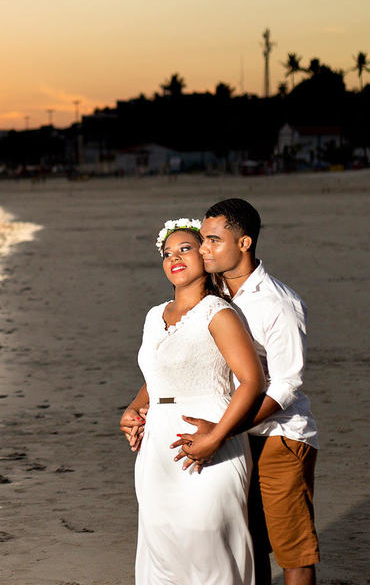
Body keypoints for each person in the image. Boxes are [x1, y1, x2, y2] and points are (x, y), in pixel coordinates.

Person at [121, 218, 266, 585]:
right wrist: (134, 408)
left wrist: (217, 436)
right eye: (167, 253)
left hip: (211, 434)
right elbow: (158, 375)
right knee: (163, 546)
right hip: (157, 445)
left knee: (208, 542)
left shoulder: (219, 313)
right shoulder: (154, 316)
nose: (174, 258)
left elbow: (253, 381)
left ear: (204, 255)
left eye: (185, 249)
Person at [185, 199, 320, 585]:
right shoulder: (212, 295)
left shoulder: (279, 303)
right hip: (234, 436)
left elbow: (287, 385)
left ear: (244, 243)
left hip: (280, 438)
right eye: (202, 240)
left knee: (293, 550)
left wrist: (222, 431)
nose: (204, 249)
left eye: (214, 240)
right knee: (249, 542)